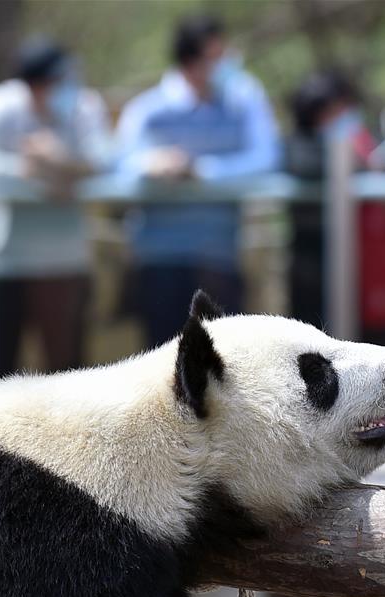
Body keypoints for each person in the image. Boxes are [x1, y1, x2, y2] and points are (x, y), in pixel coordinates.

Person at [116, 14, 279, 347]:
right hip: (158, 259)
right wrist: (151, 165)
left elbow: (267, 158)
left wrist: (201, 171)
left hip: (219, 257)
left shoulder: (241, 100)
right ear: (191, 62)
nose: (227, 63)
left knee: (225, 367)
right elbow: (117, 164)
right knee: (161, 369)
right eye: (216, 56)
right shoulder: (148, 111)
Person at [0, 37, 111, 377]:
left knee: (69, 373)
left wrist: (61, 162)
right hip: (7, 261)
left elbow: (105, 159)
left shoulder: (85, 106)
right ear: (35, 84)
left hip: (67, 261)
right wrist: (31, 172)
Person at [285, 69, 385, 366]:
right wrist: (353, 165)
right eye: (330, 112)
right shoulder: (300, 147)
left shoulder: (373, 144)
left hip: (378, 280)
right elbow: (304, 167)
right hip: (318, 283)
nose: (342, 118)